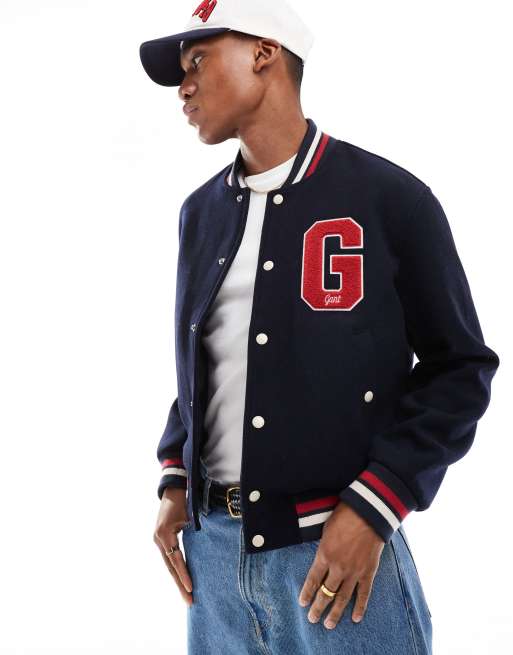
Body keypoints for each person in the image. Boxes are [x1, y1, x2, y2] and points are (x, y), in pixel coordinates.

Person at [140, 1, 500, 653]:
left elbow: (460, 368)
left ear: (263, 53)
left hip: (334, 555)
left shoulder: (389, 198)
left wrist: (376, 505)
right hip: (211, 558)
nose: (183, 87)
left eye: (197, 62)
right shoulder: (200, 213)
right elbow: (207, 367)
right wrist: (176, 479)